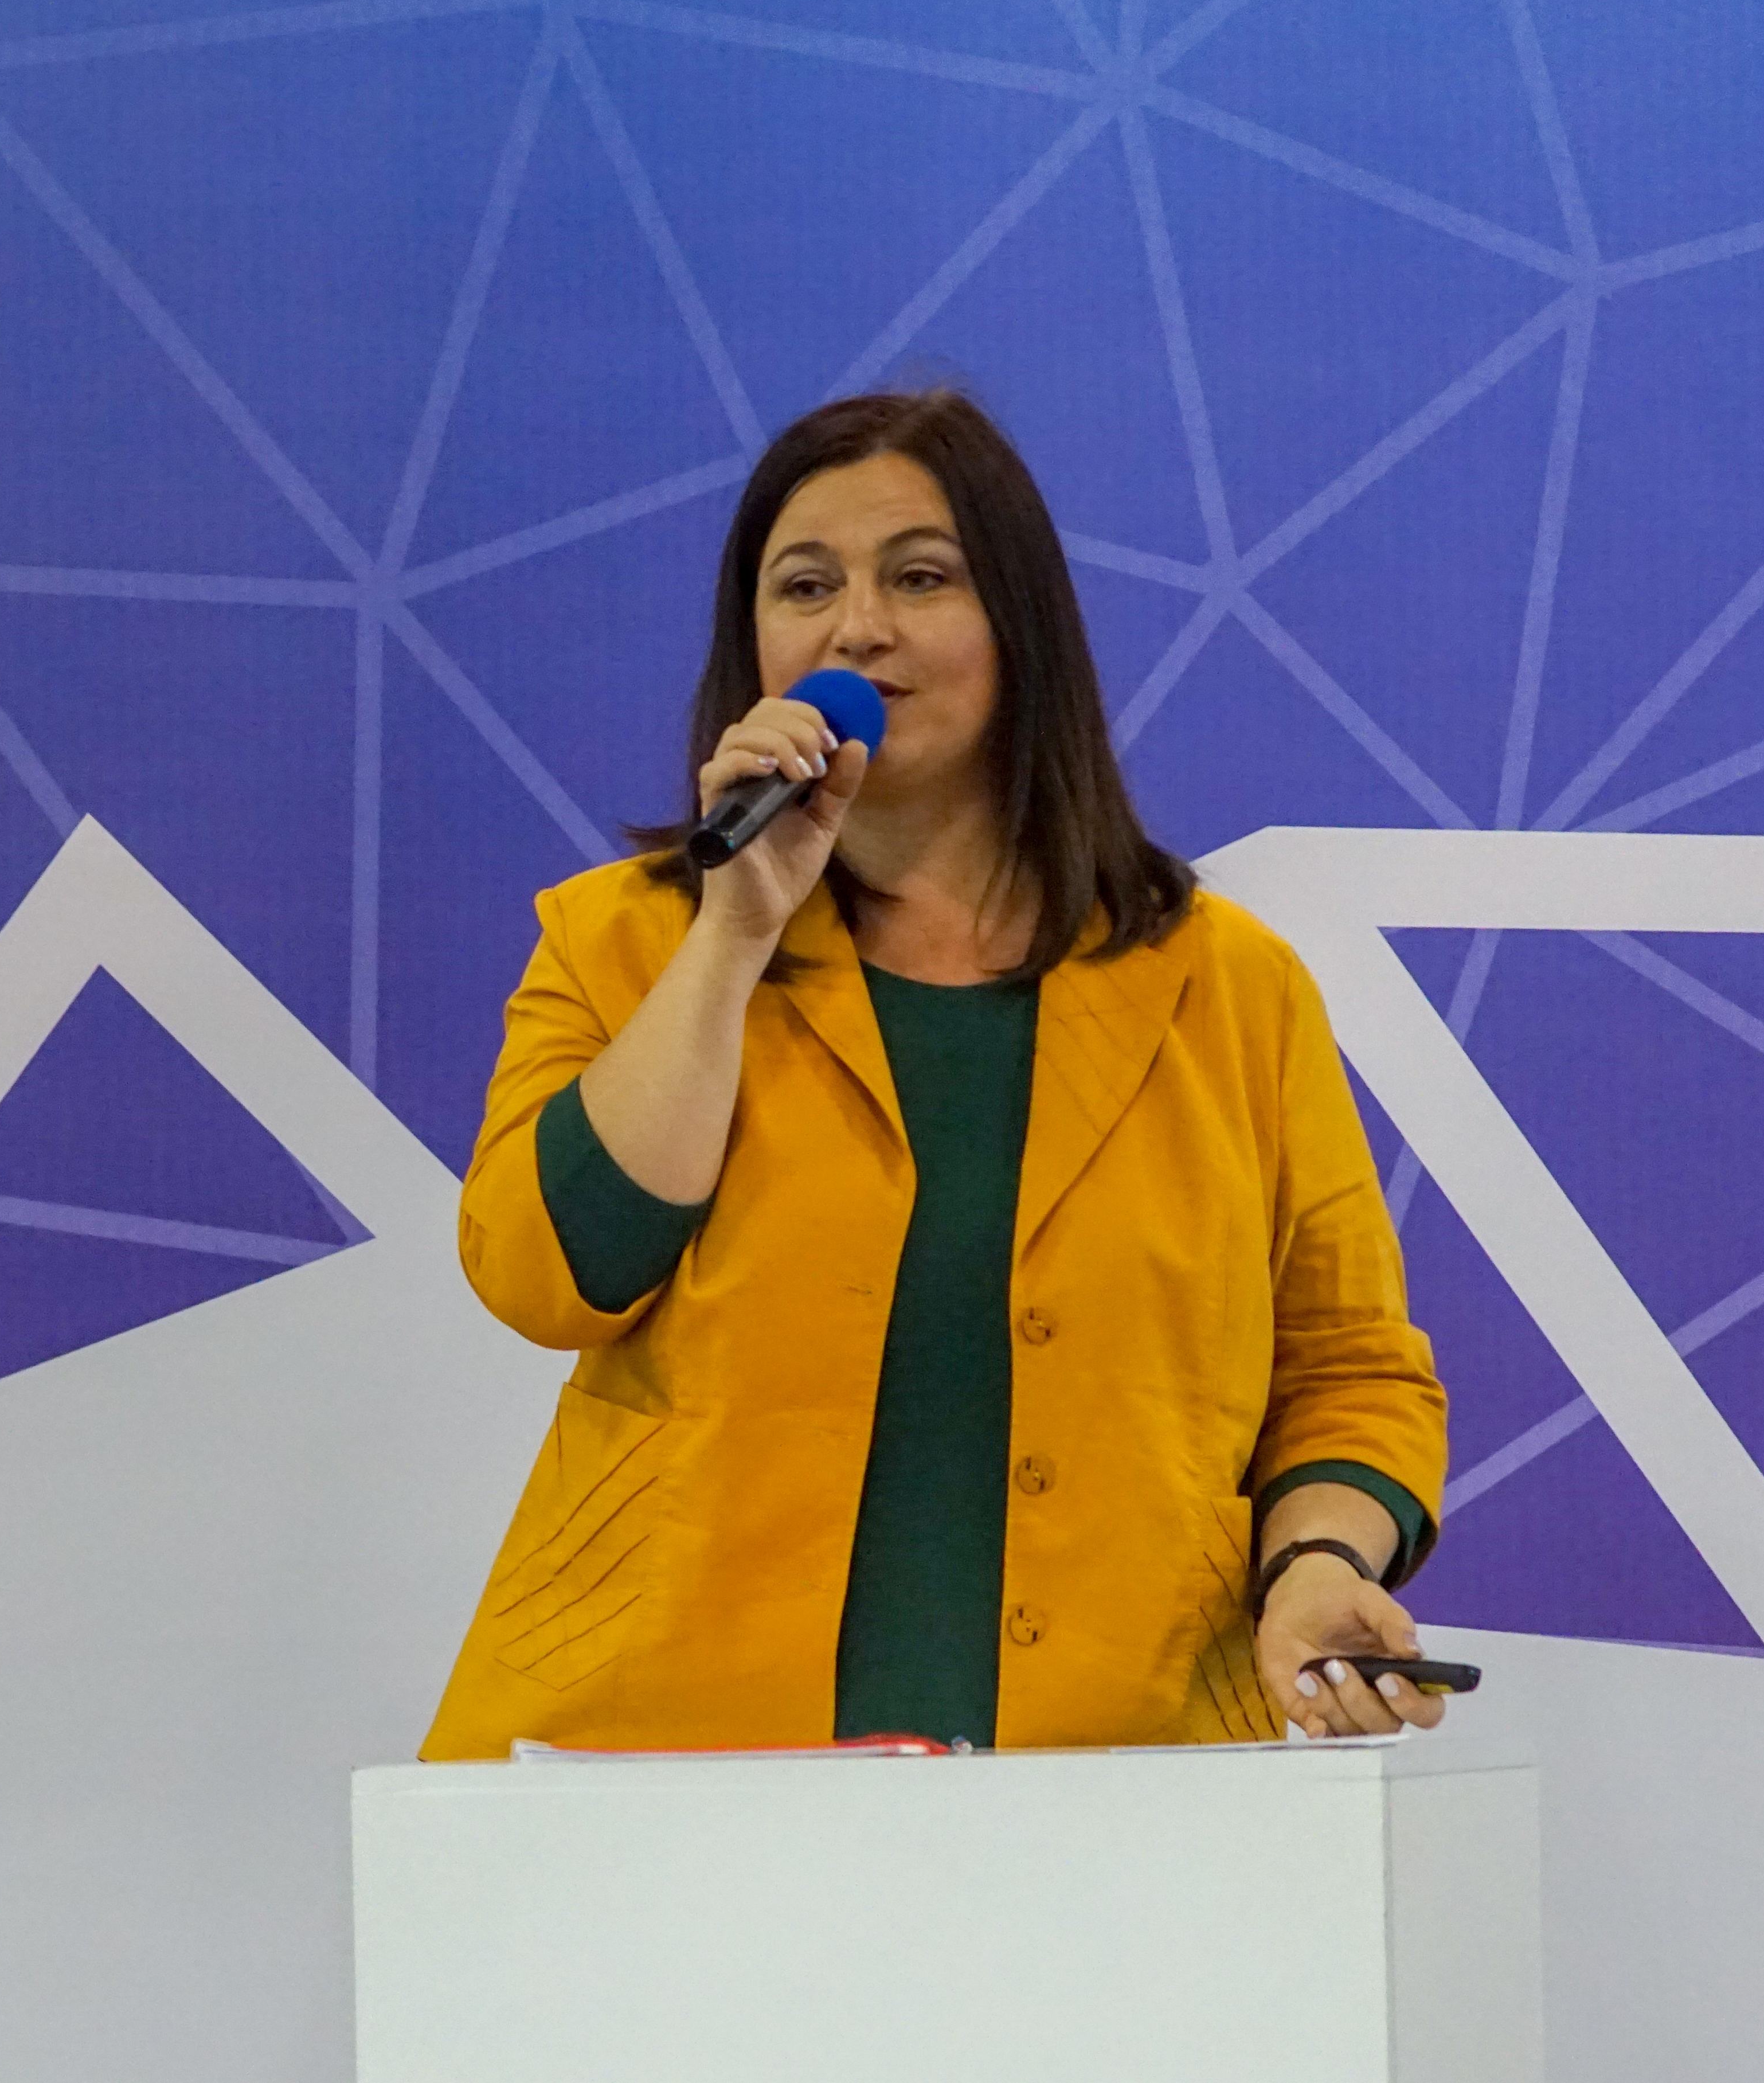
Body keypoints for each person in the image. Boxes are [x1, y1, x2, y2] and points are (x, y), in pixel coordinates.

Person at [421, 390, 1448, 1759]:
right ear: (753, 645)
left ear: (1018, 626)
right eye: (806, 587)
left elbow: (1350, 1368)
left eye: (919, 578)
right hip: (664, 1764)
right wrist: (730, 934)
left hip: (1113, 1763)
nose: (858, 628)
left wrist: (1314, 1564)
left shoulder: (1229, 985)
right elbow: (546, 1275)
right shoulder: (627, 940)